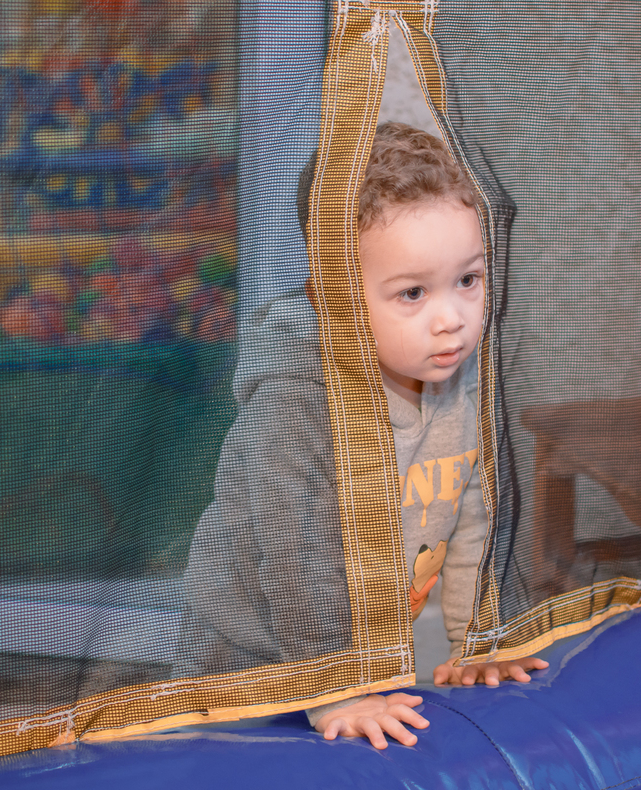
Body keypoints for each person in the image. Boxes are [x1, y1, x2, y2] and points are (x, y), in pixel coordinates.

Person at [178, 122, 546, 750]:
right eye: (413, 293)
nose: (452, 318)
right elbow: (293, 559)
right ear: (335, 297)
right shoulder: (297, 404)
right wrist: (335, 689)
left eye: (468, 279)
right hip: (246, 663)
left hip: (366, 648)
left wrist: (479, 638)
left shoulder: (461, 380)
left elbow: (477, 515)